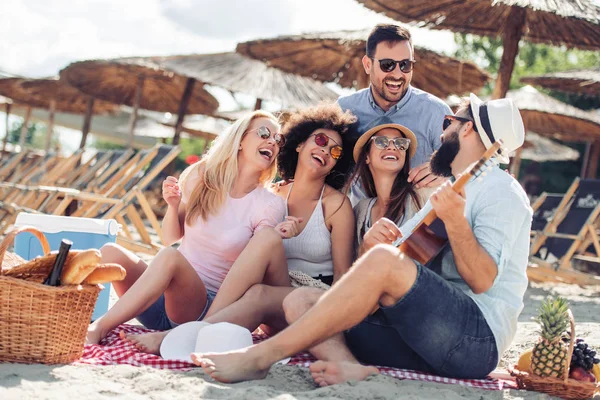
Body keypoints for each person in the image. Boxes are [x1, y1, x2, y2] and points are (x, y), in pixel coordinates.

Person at [190, 94, 533, 386]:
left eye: (449, 122)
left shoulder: (501, 191)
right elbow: (401, 253)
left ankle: (261, 356)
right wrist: (372, 242)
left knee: (382, 262)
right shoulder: (450, 190)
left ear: (467, 127)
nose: (443, 133)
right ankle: (351, 367)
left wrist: (456, 222)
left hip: (473, 342)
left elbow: (483, 279)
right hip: (421, 334)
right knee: (300, 302)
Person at [121, 104, 357, 354]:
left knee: (258, 284)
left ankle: (189, 332)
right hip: (262, 295)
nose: (326, 150)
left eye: (336, 151)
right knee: (255, 289)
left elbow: (343, 276)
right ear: (298, 144)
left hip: (303, 297)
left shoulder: (336, 205)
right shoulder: (270, 196)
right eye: (320, 140)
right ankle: (196, 329)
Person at [86, 110, 288, 344]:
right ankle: (55, 305)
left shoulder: (269, 205)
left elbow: (256, 268)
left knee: (170, 258)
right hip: (158, 302)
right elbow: (171, 237)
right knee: (110, 253)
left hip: (202, 310)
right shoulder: (202, 175)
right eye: (264, 133)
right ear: (240, 139)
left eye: (278, 139)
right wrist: (173, 207)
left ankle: (100, 327)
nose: (272, 142)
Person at [337, 24, 453, 204]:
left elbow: (465, 171)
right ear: (368, 65)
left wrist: (446, 173)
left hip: (419, 226)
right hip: (360, 224)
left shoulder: (436, 113)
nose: (398, 74)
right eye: (387, 65)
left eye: (405, 65)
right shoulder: (344, 110)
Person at [351, 116, 432, 257]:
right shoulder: (360, 211)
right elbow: (353, 269)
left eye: (400, 143)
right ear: (366, 157)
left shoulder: (424, 195)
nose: (392, 146)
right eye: (381, 142)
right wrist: (365, 247)